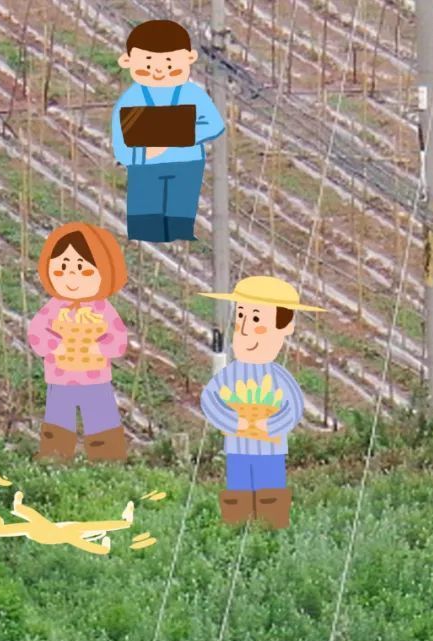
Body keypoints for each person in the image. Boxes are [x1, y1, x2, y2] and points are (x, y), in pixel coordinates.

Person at [198, 274, 320, 529]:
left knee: (270, 492)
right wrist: (236, 423)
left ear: (284, 327)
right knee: (239, 492)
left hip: (270, 452)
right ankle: (237, 529)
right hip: (237, 449)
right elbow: (210, 399)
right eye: (241, 318)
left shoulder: (279, 378)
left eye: (256, 320)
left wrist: (267, 426)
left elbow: (293, 409)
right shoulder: (230, 375)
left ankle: (270, 530)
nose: (245, 330)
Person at [112, 19, 224, 243]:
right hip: (146, 165)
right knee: (145, 213)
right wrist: (139, 155)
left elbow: (213, 124)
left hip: (186, 163)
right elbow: (121, 137)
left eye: (170, 63)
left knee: (180, 209)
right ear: (127, 61)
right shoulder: (134, 98)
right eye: (148, 63)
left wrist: (178, 135)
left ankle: (179, 233)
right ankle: (147, 235)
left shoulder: (191, 94)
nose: (159, 70)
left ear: (189, 59)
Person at [27, 223, 130, 465]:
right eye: (62, 269)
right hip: (60, 378)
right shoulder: (54, 308)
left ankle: (107, 461)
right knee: (58, 420)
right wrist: (56, 347)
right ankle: (55, 459)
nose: (72, 277)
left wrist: (97, 348)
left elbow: (118, 340)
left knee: (101, 420)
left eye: (83, 270)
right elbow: (37, 334)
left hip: (96, 379)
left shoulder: (102, 308)